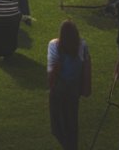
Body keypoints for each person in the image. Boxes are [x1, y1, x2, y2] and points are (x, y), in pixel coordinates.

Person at [48, 19, 91, 150]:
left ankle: (68, 146)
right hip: (74, 89)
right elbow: (87, 67)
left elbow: (53, 70)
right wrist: (87, 88)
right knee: (72, 121)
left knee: (57, 124)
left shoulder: (55, 45)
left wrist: (50, 88)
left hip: (60, 88)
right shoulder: (82, 46)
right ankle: (72, 146)